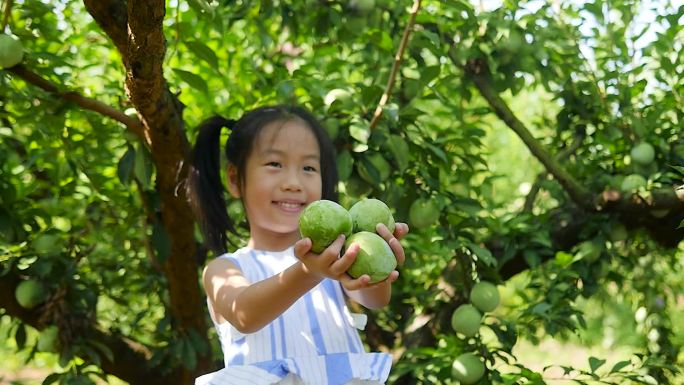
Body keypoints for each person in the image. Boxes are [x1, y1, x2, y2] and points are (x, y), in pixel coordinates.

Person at [187, 105, 409, 385]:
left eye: (308, 168)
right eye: (275, 164)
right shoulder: (224, 269)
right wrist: (310, 271)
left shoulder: (335, 257)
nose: (293, 182)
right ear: (234, 179)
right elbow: (245, 314)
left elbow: (375, 299)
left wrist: (378, 263)